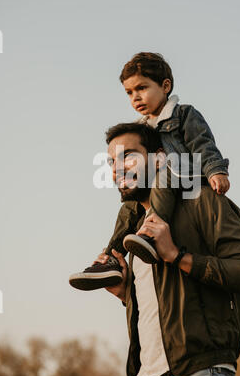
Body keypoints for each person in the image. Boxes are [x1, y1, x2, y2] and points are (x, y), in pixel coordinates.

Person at [94, 122, 240, 376]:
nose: (117, 168)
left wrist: (177, 256)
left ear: (160, 159)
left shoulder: (203, 201)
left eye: (128, 156)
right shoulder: (135, 228)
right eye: (111, 161)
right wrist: (127, 293)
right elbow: (169, 303)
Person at [69, 52, 230, 290]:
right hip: (157, 186)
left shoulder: (183, 114)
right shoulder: (142, 127)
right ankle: (111, 259)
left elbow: (203, 144)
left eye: (142, 88)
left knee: (164, 173)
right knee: (128, 208)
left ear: (165, 86)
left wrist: (216, 170)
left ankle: (150, 233)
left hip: (185, 176)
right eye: (129, 92)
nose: (136, 97)